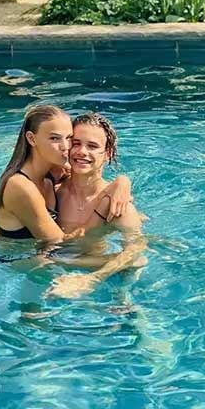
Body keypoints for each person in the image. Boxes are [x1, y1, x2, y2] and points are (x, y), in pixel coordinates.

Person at [0, 105, 131, 246]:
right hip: (20, 262)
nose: (65, 146)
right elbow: (62, 245)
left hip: (50, 256)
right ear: (31, 139)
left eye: (69, 138)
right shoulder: (20, 186)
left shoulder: (53, 171)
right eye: (54, 138)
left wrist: (122, 182)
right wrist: (103, 205)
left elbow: (87, 174)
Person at [46, 112, 146, 299]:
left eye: (92, 146)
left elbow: (136, 252)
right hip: (57, 266)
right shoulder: (53, 192)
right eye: (76, 143)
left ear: (107, 154)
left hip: (102, 274)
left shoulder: (117, 205)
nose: (82, 152)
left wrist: (91, 279)